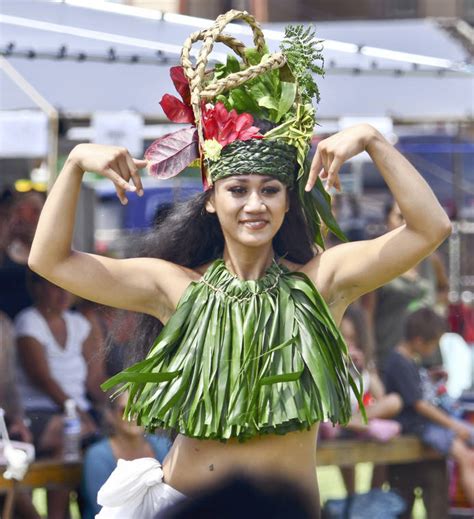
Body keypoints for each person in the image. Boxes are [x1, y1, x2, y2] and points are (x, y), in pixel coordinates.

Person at [27, 10, 451, 518]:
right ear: (211, 199)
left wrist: (373, 141)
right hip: (188, 504)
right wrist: (74, 164)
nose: (255, 205)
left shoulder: (323, 283)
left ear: (289, 201)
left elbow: (430, 229)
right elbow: (49, 260)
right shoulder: (174, 288)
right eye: (238, 190)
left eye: (271, 190)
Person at [14, 272, 101, 519]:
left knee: (99, 439)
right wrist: (79, 413)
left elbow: (96, 379)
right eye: (55, 288)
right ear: (37, 288)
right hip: (39, 412)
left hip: (78, 413)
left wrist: (119, 406)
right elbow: (42, 379)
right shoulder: (29, 322)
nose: (63, 294)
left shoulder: (79, 324)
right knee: (68, 434)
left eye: (67, 287)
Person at [384, 307, 474, 506]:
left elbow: (415, 390)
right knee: (466, 458)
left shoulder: (408, 361)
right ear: (418, 340)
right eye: (434, 344)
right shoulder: (399, 362)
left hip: (426, 424)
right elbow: (419, 404)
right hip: (418, 426)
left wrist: (431, 377)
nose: (434, 349)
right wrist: (453, 425)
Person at [320, 305, 402, 494]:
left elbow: (380, 396)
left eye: (352, 338)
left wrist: (365, 368)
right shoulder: (328, 361)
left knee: (394, 401)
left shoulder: (363, 363)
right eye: (344, 337)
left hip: (353, 420)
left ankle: (369, 498)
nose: (348, 343)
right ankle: (352, 497)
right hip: (331, 419)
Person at [80, 392, 172, 518]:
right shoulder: (97, 456)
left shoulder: (163, 445)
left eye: (140, 409)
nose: (134, 416)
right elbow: (103, 508)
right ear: (110, 415)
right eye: (125, 410)